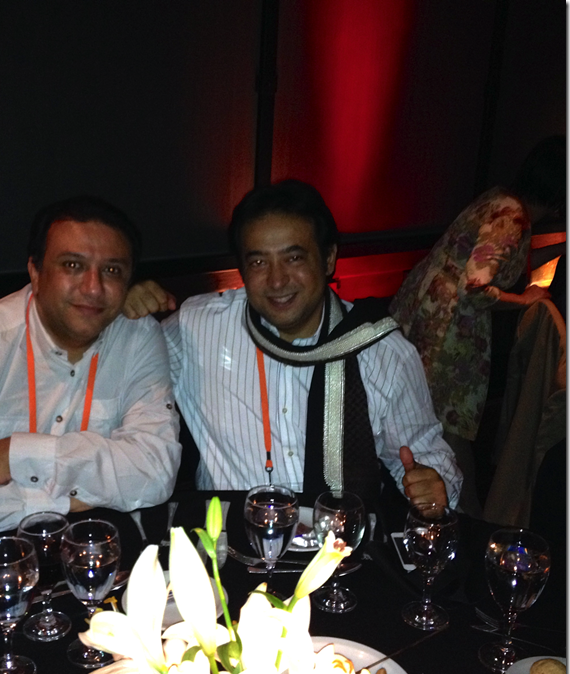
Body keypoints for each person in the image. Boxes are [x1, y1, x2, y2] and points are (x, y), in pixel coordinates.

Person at [124, 180, 462, 512]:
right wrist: (123, 311)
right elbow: (122, 367)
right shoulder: (198, 327)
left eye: (294, 258)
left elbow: (427, 455)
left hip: (341, 540)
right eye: (258, 262)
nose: (276, 280)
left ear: (328, 259)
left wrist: (434, 484)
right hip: (231, 539)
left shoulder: (382, 352)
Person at [0, 195, 181, 541]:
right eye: (72, 265)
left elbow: (154, 473)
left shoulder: (138, 338)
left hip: (94, 549)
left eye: (112, 271)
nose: (93, 287)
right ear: (36, 273)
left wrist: (17, 454)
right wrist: (54, 501)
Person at [388, 135, 566, 517]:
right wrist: (524, 300)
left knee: (427, 427)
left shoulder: (501, 200)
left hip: (427, 317)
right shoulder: (512, 216)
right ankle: (469, 526)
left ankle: (453, 520)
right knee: (448, 434)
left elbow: (494, 261)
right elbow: (474, 286)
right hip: (448, 333)